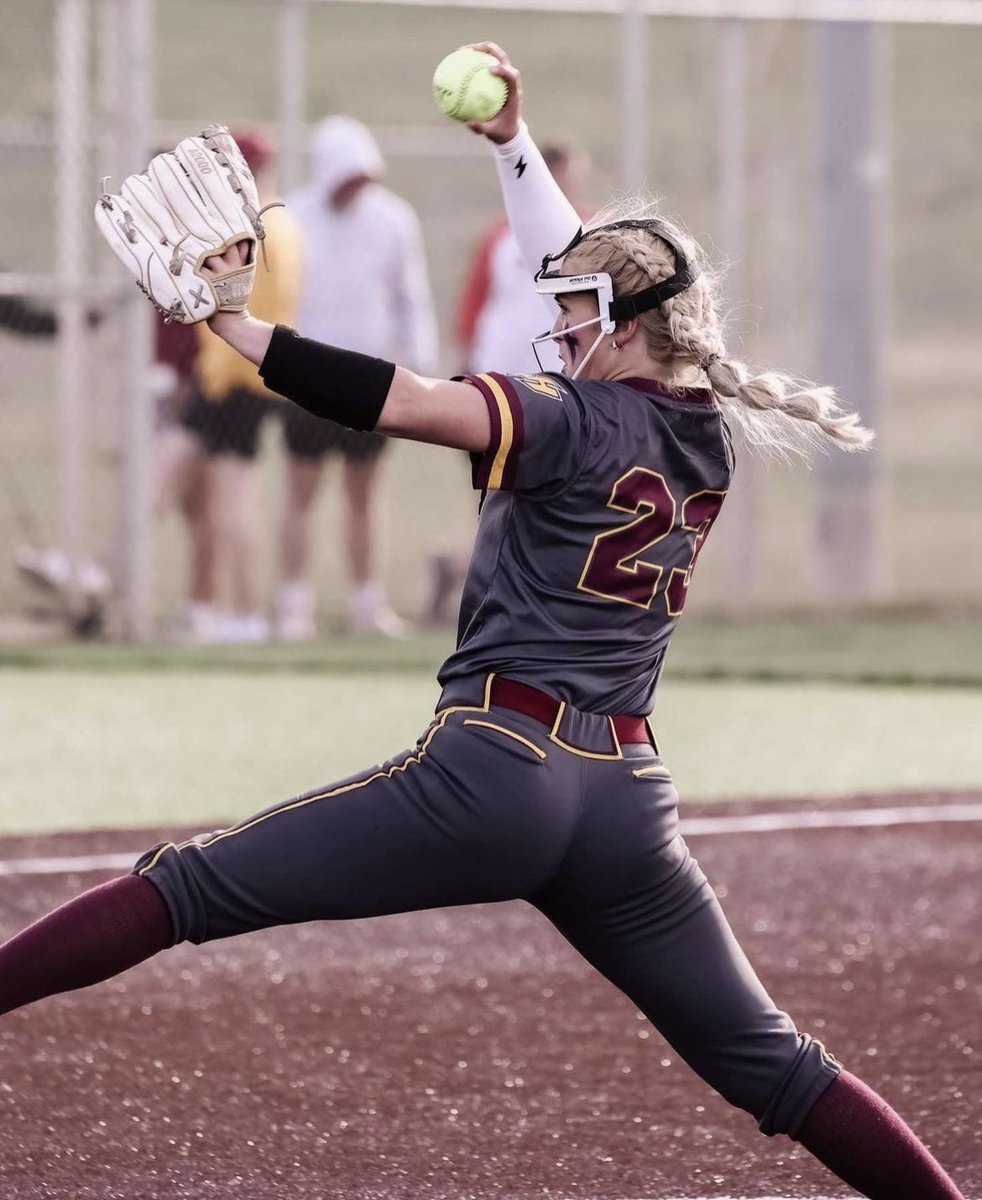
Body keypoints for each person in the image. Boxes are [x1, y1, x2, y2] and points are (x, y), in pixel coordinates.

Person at [0, 46, 967, 1200]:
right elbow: (598, 274)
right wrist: (514, 144)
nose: (552, 325)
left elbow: (403, 400)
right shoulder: (703, 429)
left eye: (569, 311)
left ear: (617, 323)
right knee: (778, 1070)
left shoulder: (565, 416)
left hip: (497, 772)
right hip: (624, 805)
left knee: (188, 888)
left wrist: (236, 328)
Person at [276, 116, 438, 640]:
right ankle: (293, 606)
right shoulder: (292, 217)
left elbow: (409, 295)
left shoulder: (394, 219)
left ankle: (368, 605)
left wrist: (421, 363)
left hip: (371, 378)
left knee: (364, 494)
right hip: (306, 377)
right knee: (301, 490)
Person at [158, 130, 304, 643]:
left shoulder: (251, 225)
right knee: (166, 475)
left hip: (238, 375)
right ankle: (108, 578)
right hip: (230, 374)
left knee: (232, 500)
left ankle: (245, 615)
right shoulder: (276, 218)